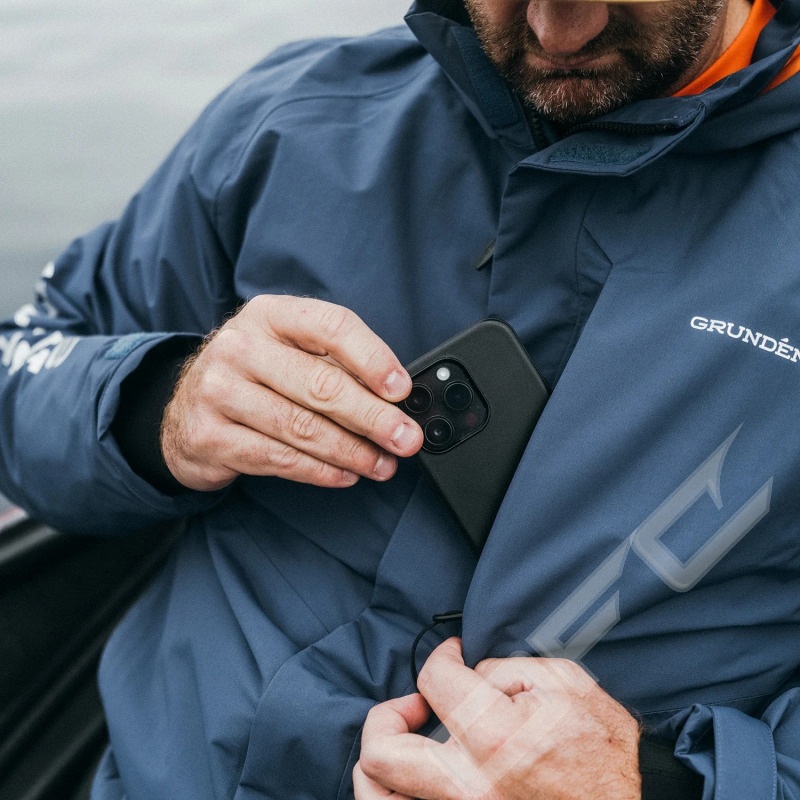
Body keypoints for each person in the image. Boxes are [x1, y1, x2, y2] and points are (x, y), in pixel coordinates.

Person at [1, 0, 800, 796]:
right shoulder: (299, 116)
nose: (555, 33)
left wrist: (653, 784)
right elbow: (22, 366)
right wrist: (162, 404)